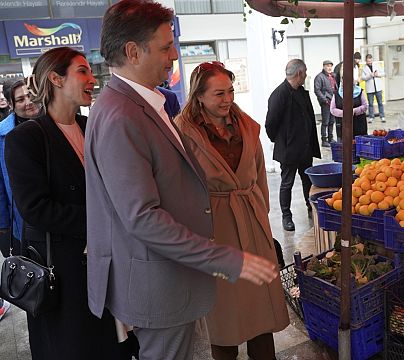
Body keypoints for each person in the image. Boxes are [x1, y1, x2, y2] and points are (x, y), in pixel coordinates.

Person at [85, 2, 278, 359]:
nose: (174, 54)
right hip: (156, 283)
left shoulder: (145, 104)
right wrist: (223, 257)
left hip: (170, 274)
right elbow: (141, 216)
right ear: (132, 51)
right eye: (165, 46)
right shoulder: (120, 116)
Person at [4, 46, 122, 360]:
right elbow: (36, 209)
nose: (92, 80)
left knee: (113, 345)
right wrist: (105, 220)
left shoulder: (91, 126)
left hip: (108, 264)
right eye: (82, 71)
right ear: (55, 79)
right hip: (64, 273)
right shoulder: (26, 138)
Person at [175, 61, 290, 360]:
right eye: (218, 94)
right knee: (224, 312)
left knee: (260, 307)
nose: (227, 99)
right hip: (214, 227)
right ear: (198, 95)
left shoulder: (247, 126)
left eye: (230, 91)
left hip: (252, 220)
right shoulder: (182, 132)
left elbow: (260, 175)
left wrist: (262, 215)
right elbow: (179, 186)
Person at [266, 59, 321, 232]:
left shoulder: (302, 93)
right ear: (299, 74)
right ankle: (286, 216)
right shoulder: (280, 94)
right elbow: (270, 124)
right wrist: (282, 140)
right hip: (289, 148)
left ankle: (310, 207)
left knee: (307, 181)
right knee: (287, 183)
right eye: (305, 72)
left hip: (304, 146)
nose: (306, 75)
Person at [0, 79, 41, 258]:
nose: (28, 102)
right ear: (10, 104)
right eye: (20, 99)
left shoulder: (55, 121)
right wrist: (3, 224)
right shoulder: (3, 135)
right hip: (21, 220)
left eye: (30, 96)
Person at [331, 64, 368, 139]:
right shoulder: (337, 93)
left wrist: (355, 110)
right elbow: (332, 109)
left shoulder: (359, 91)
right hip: (343, 126)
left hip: (359, 125)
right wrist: (344, 113)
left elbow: (365, 106)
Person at [313, 59, 337, 146]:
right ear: (324, 67)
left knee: (332, 121)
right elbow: (317, 90)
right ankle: (324, 140)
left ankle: (331, 138)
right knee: (325, 122)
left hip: (333, 102)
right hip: (326, 103)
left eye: (330, 66)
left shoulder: (333, 75)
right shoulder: (319, 77)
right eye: (327, 66)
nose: (329, 68)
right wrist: (324, 99)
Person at [361, 54, 385, 123]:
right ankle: (371, 117)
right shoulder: (364, 68)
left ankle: (382, 116)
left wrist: (378, 75)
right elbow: (363, 78)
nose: (370, 62)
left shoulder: (377, 66)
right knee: (370, 104)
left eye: (370, 61)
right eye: (368, 61)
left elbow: (383, 73)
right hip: (370, 89)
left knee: (380, 102)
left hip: (378, 88)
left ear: (372, 60)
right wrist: (370, 75)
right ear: (366, 61)